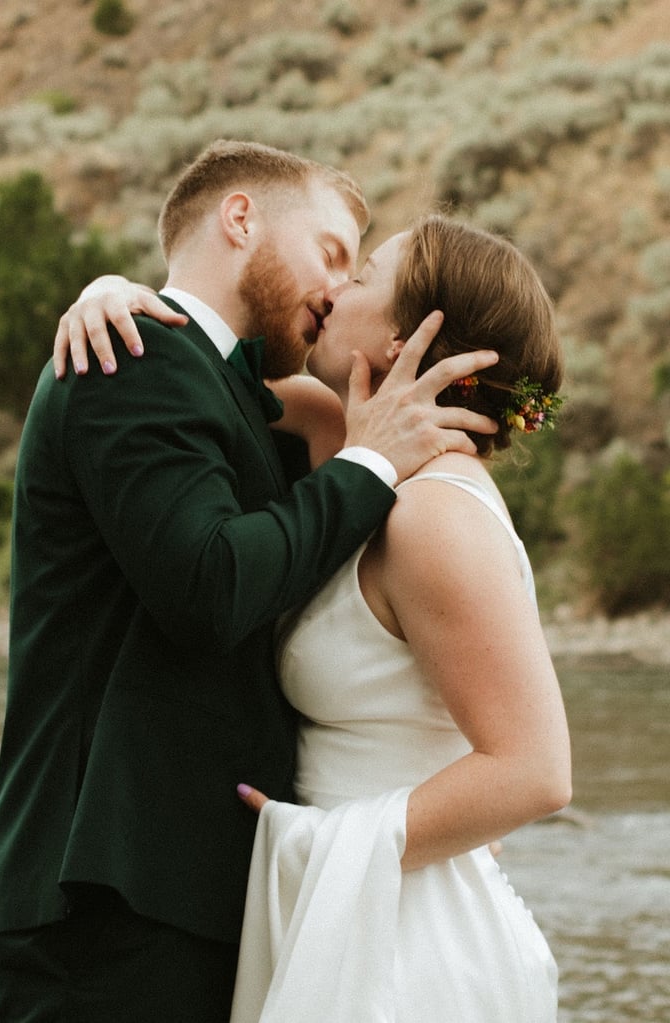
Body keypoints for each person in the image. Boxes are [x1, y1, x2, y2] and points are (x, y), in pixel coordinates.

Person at [0, 141, 499, 1023]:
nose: (336, 288)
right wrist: (371, 462)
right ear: (240, 217)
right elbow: (212, 586)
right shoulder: (132, 352)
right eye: (330, 252)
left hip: (192, 897)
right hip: (107, 897)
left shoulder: (234, 396)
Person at [225, 215, 573, 1021]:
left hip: (407, 946)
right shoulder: (347, 446)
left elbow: (535, 769)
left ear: (402, 339)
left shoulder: (433, 515)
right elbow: (188, 372)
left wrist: (316, 842)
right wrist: (113, 298)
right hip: (342, 915)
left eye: (362, 276)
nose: (332, 290)